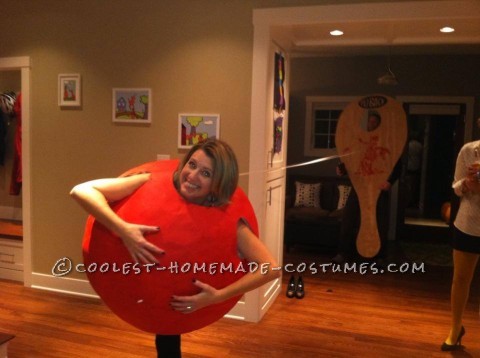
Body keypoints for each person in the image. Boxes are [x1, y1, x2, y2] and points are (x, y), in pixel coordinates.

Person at [70, 139, 280, 357]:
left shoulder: (228, 221)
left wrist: (218, 296)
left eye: (206, 174)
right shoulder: (148, 182)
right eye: (192, 164)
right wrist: (123, 229)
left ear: (218, 184)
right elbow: (81, 191)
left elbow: (271, 268)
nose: (192, 176)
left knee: (169, 335)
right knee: (166, 336)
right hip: (145, 291)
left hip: (181, 302)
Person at [332, 111, 402, 265]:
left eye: (375, 123)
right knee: (348, 220)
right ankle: (343, 254)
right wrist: (341, 170)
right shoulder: (360, 141)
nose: (372, 125)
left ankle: (380, 257)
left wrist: (390, 181)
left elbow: (397, 165)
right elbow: (350, 161)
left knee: (379, 223)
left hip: (378, 189)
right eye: (370, 122)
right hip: (359, 188)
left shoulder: (387, 142)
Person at [441, 136, 480, 351]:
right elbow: (456, 187)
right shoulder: (469, 150)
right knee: (461, 279)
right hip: (468, 224)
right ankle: (455, 329)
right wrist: (467, 183)